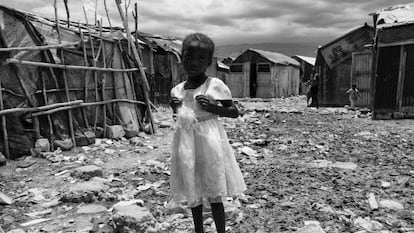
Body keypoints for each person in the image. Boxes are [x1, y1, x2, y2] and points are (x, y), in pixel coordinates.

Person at [169, 33, 246, 233]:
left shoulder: (214, 85)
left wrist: (214, 108)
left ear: (209, 62)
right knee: (192, 187)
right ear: (181, 57)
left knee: (214, 191)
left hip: (210, 141)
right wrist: (175, 109)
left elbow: (234, 112)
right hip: (186, 142)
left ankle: (221, 230)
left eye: (201, 59)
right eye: (189, 57)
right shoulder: (177, 90)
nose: (194, 63)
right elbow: (180, 117)